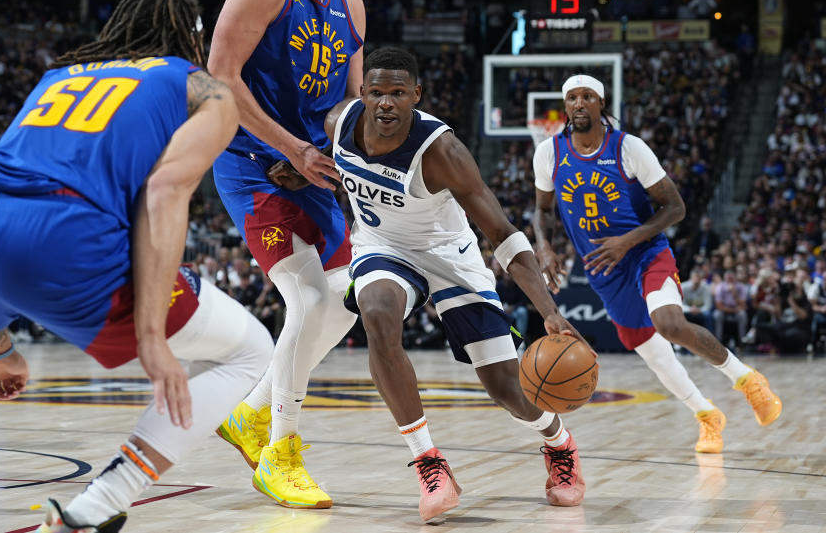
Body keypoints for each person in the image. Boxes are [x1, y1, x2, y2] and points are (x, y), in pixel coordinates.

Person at [0, 0, 273, 533]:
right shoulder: (203, 88)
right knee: (249, 349)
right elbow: (164, 193)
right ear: (192, 39)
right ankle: (102, 500)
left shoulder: (62, 74)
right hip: (62, 231)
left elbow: (15, 208)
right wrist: (151, 335)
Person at [326, 47, 589, 521]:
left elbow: (504, 235)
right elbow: (326, 167)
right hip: (383, 248)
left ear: (416, 96)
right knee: (378, 316)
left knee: (508, 389)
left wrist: (548, 310)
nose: (386, 103)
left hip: (451, 256)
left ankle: (558, 442)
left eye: (398, 93)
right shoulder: (339, 124)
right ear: (362, 93)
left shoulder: (443, 151)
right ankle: (430, 463)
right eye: (377, 92)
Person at [208, 0, 365, 509]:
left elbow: (343, 104)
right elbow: (220, 77)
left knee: (349, 298)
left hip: (312, 167)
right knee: (305, 300)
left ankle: (248, 413)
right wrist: (291, 150)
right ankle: (281, 452)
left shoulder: (351, 5)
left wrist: (349, 145)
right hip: (251, 162)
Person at [532, 74, 782, 456]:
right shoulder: (549, 153)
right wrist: (545, 246)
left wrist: (627, 241)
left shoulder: (629, 148)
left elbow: (676, 208)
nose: (578, 104)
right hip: (604, 271)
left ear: (601, 103)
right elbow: (542, 211)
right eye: (571, 98)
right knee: (653, 356)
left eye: (586, 96)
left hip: (646, 254)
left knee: (669, 323)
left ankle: (747, 380)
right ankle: (707, 416)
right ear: (565, 107)